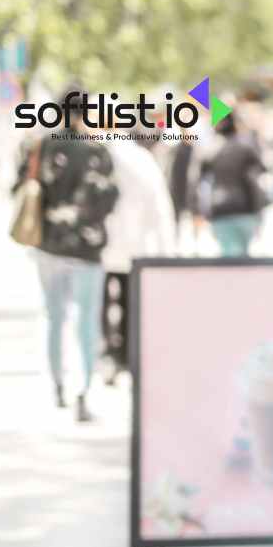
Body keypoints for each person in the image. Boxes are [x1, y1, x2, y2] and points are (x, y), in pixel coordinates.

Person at [13, 88, 119, 422]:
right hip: (86, 248)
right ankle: (82, 391)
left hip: (49, 245)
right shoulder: (97, 151)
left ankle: (57, 384)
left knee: (54, 316)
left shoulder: (41, 146)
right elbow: (109, 198)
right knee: (86, 320)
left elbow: (20, 188)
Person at [101, 128, 176, 383]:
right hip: (135, 244)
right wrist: (167, 248)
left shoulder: (100, 152)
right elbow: (160, 205)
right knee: (129, 302)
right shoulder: (142, 158)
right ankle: (126, 355)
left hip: (101, 243)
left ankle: (108, 353)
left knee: (101, 303)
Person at [197, 112, 265, 256]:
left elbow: (198, 183)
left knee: (229, 257)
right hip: (244, 209)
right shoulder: (246, 148)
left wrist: (197, 211)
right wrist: (259, 210)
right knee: (241, 257)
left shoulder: (211, 150)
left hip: (220, 210)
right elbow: (255, 180)